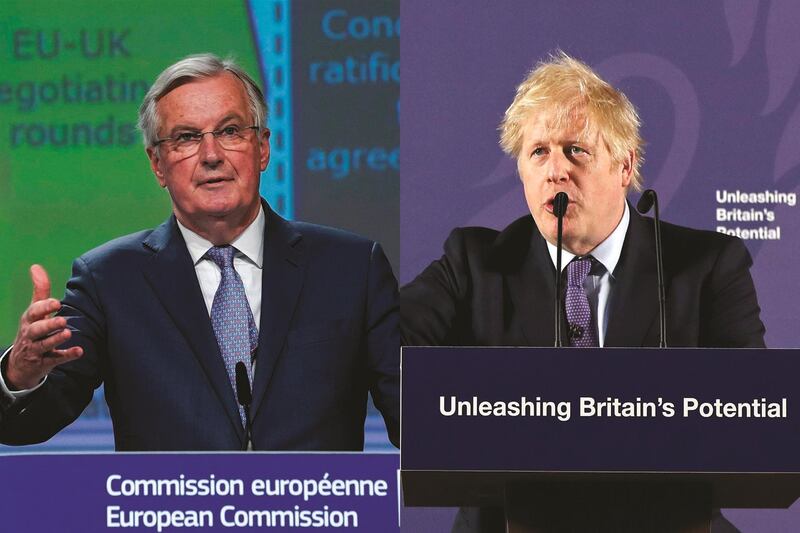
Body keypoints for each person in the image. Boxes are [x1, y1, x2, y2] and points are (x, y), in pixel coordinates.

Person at [400, 52, 764, 532]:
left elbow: (753, 411)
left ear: (624, 165)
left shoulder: (706, 267)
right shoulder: (477, 264)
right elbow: (390, 345)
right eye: (538, 152)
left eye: (576, 150)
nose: (556, 170)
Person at [0, 53, 399, 451]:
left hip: (315, 511)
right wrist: (20, 374)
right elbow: (29, 424)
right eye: (187, 138)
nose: (211, 155)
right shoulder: (108, 279)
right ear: (157, 164)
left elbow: (414, 421)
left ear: (262, 148)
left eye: (229, 131)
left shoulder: (350, 269)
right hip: (172, 513)